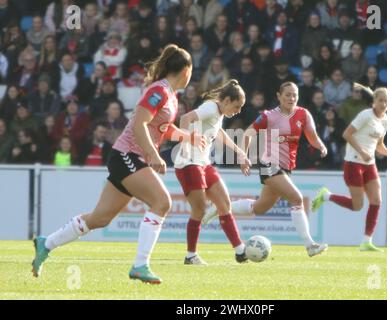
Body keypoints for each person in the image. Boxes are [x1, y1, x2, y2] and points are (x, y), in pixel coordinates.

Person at [32, 44, 205, 284]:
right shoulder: (159, 91)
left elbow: (161, 128)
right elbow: (139, 124)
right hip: (128, 155)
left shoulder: (171, 96)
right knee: (162, 202)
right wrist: (152, 155)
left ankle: (46, 243)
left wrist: (188, 137)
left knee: (100, 218)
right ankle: (140, 265)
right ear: (186, 70)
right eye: (192, 70)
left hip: (128, 157)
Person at [202, 82, 329, 257]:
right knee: (297, 199)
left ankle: (219, 208)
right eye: (287, 95)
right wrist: (243, 157)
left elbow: (312, 136)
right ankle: (310, 245)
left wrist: (321, 147)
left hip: (285, 167)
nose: (291, 98)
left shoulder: (303, 114)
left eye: (294, 95)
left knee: (259, 208)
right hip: (268, 165)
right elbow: (248, 133)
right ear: (279, 96)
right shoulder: (269, 116)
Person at [311, 84, 387, 252]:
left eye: (386, 101)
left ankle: (366, 241)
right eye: (380, 100)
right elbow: (347, 134)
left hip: (370, 164)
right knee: (357, 206)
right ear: (374, 101)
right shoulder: (365, 115)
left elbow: (379, 144)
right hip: (353, 163)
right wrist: (362, 152)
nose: (383, 104)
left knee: (376, 201)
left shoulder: (386, 120)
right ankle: (326, 196)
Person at [174, 79, 250, 265]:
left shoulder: (219, 112)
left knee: (224, 203)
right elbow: (185, 119)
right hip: (189, 163)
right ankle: (191, 255)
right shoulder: (210, 108)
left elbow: (218, 132)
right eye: (237, 106)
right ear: (226, 101)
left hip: (203, 163)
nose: (238, 111)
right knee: (199, 210)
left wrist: (240, 152)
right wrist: (185, 142)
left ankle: (240, 251)